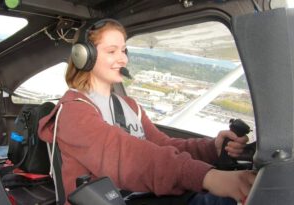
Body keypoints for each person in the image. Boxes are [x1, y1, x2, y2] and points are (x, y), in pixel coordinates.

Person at [38, 19, 256, 205]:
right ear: (84, 56)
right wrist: (208, 177)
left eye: (123, 50)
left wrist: (211, 149)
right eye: (112, 51)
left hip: (144, 196)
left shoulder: (129, 106)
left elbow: (162, 145)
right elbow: (127, 157)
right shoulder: (73, 111)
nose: (123, 59)